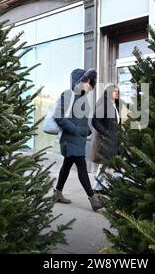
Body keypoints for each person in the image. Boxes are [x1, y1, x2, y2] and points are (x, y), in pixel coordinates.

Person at [53, 68, 104, 211]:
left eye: (89, 82)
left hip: (78, 139)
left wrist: (87, 130)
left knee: (67, 165)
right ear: (78, 82)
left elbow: (82, 119)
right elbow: (59, 116)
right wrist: (75, 129)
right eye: (86, 81)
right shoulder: (68, 95)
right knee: (81, 166)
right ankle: (93, 199)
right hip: (70, 139)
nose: (88, 84)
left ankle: (57, 192)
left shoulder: (82, 98)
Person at [90, 85, 122, 194]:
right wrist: (106, 132)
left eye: (118, 92)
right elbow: (95, 121)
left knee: (108, 165)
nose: (117, 93)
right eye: (114, 91)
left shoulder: (115, 106)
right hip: (106, 141)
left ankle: (99, 187)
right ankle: (97, 187)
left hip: (114, 141)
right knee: (105, 164)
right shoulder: (104, 105)